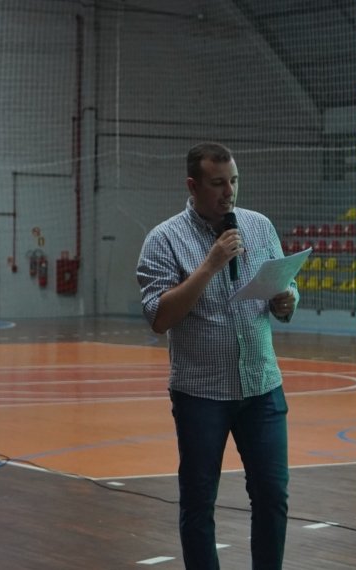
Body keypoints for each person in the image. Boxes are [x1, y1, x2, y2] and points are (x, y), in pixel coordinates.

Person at [136, 142, 297, 569]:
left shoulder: (259, 226)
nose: (229, 192)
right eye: (218, 183)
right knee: (198, 502)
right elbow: (159, 317)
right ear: (193, 186)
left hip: (261, 387)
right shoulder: (164, 239)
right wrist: (209, 265)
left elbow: (283, 284)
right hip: (201, 395)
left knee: (272, 495)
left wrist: (287, 300)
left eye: (234, 181)